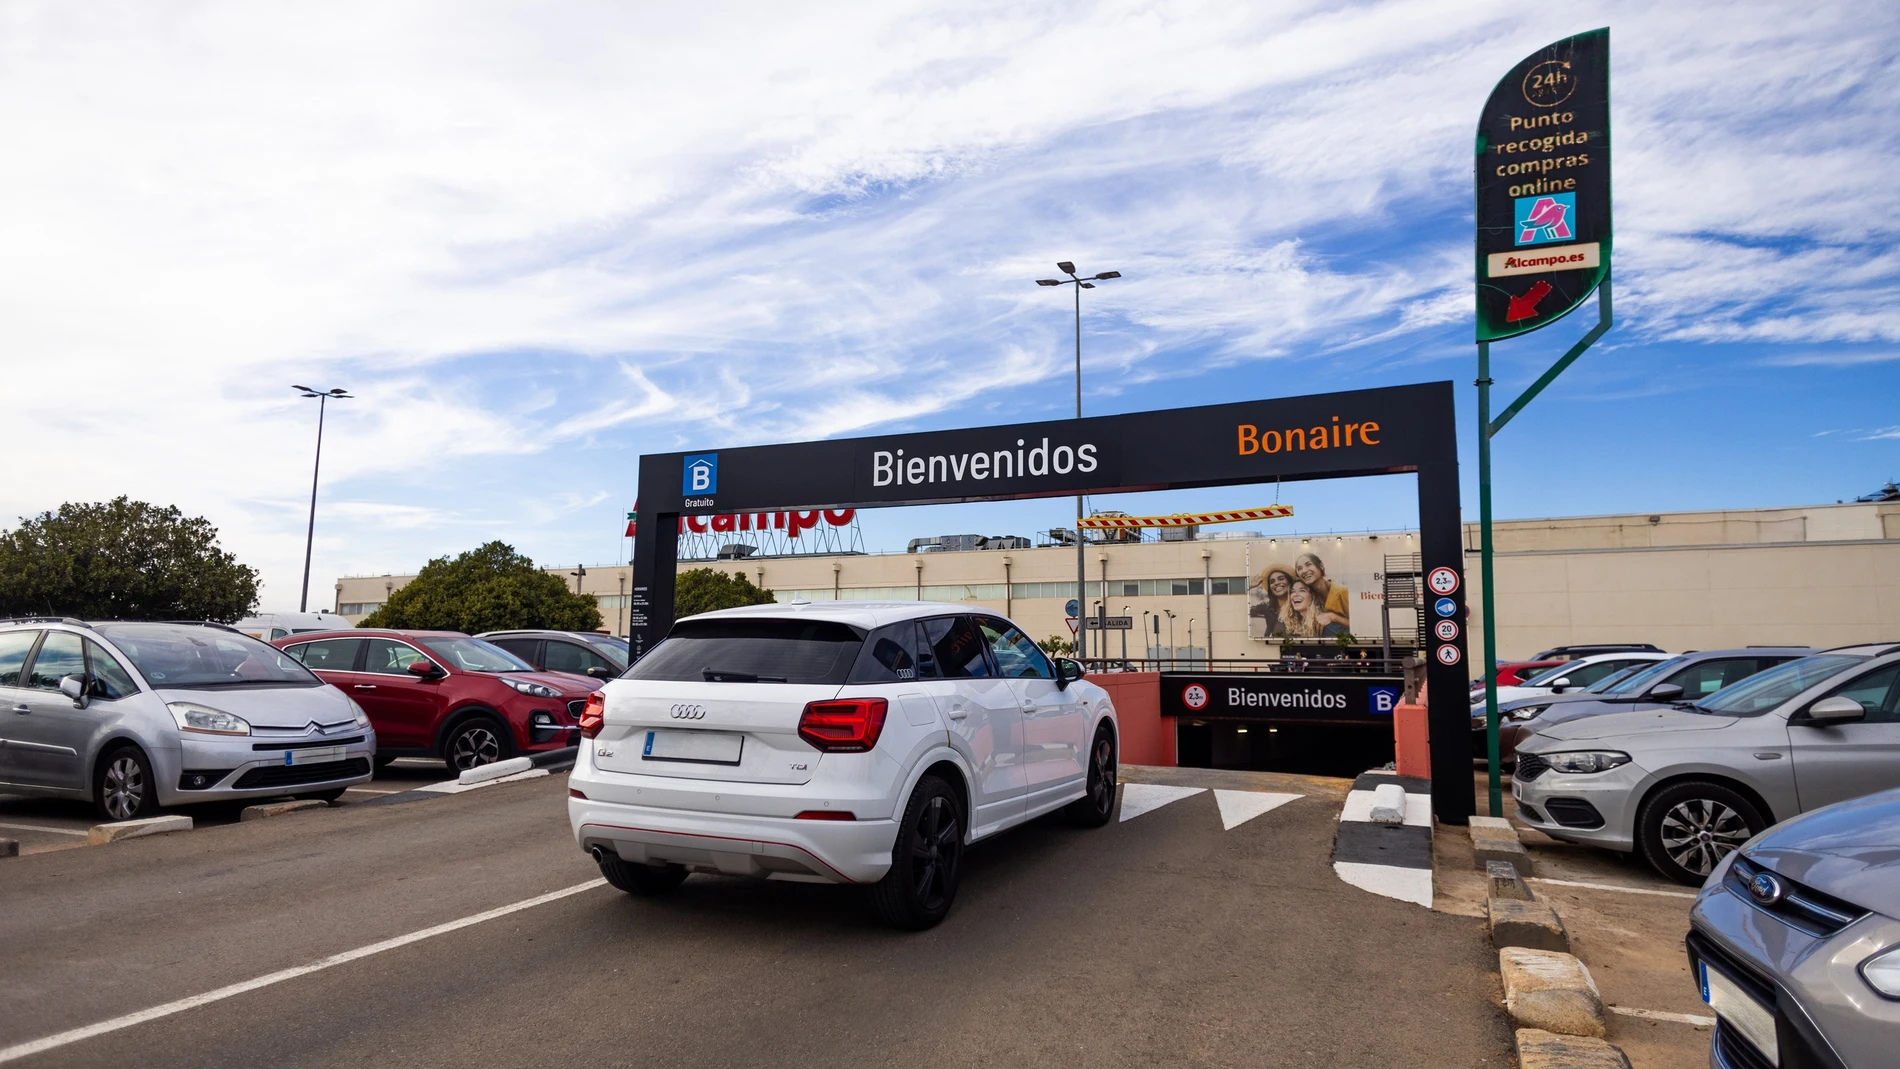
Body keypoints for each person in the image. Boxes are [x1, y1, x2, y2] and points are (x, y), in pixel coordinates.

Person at [1294, 553, 1351, 631]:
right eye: (1299, 568)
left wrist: (1333, 617)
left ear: (1321, 566)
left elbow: (1359, 624)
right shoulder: (1309, 597)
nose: (1304, 571)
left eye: (1308, 565)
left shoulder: (1341, 591)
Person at [1250, 565, 1295, 637]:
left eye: (1281, 579)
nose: (1276, 583)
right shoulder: (1267, 606)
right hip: (1271, 645)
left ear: (1290, 582)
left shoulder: (1300, 605)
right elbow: (1245, 611)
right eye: (1272, 582)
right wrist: (1249, 586)